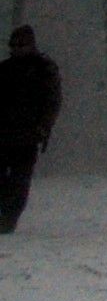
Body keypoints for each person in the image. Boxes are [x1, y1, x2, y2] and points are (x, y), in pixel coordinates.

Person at [0, 25, 63, 234]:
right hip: (4, 133)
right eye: (14, 45)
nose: (17, 49)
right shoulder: (5, 70)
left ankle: (9, 218)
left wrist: (43, 128)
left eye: (21, 45)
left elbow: (52, 102)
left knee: (20, 179)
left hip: (28, 135)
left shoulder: (44, 69)